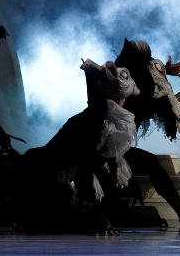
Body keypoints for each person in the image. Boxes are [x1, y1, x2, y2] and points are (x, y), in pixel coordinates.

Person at [16, 59, 145, 235]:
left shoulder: (104, 118)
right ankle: (36, 217)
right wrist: (102, 217)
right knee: (85, 220)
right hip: (43, 178)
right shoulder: (94, 120)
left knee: (103, 214)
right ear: (120, 97)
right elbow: (84, 168)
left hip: (60, 175)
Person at [114, 38, 180, 226]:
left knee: (150, 162)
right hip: (100, 154)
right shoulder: (127, 92)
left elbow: (172, 102)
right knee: (148, 162)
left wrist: (168, 73)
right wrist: (165, 73)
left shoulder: (140, 95)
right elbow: (173, 100)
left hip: (114, 152)